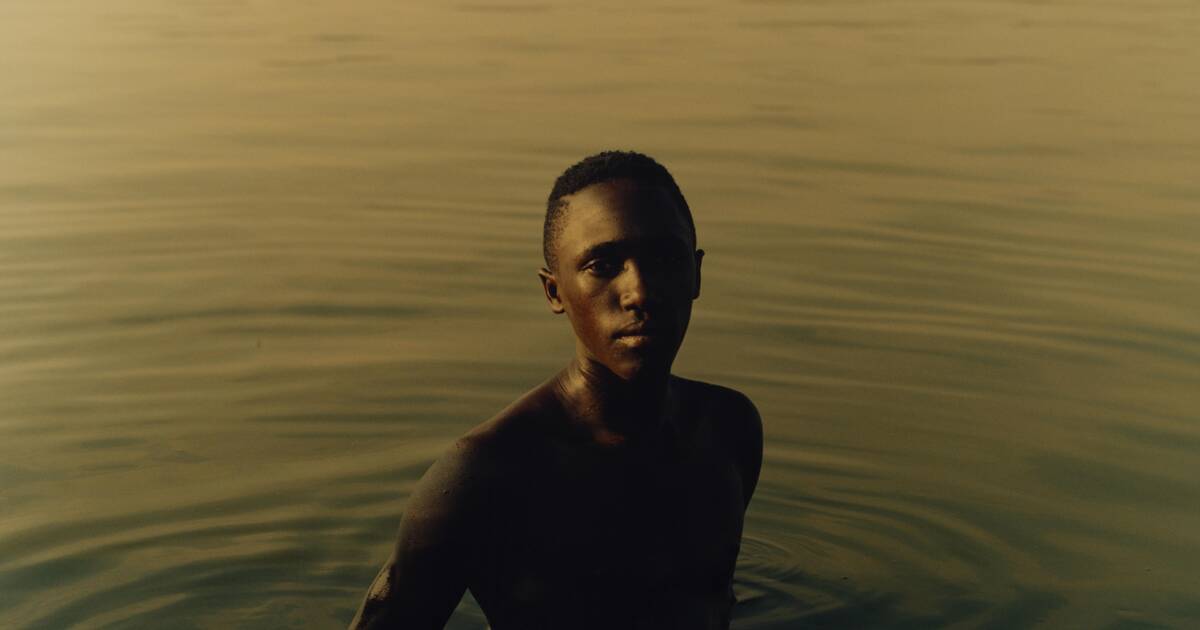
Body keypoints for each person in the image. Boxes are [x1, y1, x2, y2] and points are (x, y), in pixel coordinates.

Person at [349, 150, 763, 630]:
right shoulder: (484, 476)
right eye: (603, 264)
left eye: (665, 258)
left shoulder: (728, 430)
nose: (640, 291)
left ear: (696, 274)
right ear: (554, 292)